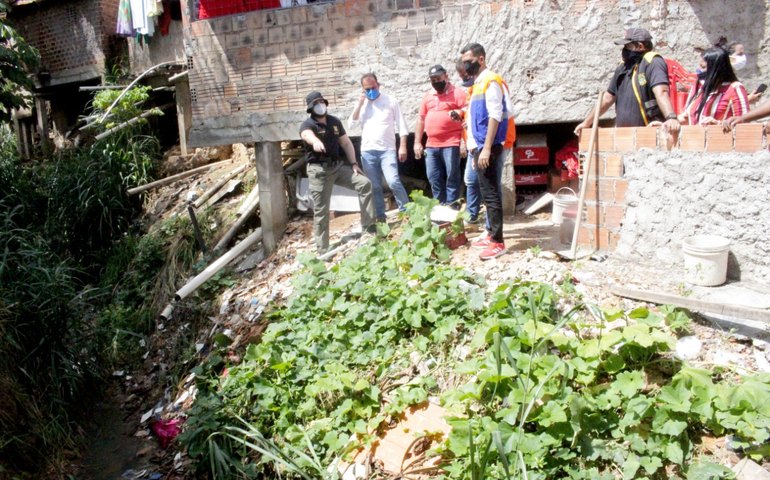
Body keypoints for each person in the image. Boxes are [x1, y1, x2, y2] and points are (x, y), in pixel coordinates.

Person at [300, 91, 375, 253]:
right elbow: (306, 135)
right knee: (321, 210)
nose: (320, 106)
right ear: (311, 108)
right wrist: (315, 142)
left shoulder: (334, 122)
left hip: (337, 167)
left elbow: (346, 143)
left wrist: (354, 163)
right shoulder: (308, 125)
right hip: (319, 172)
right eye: (316, 104)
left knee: (365, 184)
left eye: (322, 102)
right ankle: (323, 249)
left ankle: (369, 228)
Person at [574, 28, 680, 135]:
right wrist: (586, 123)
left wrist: (671, 117)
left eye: (628, 46)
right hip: (624, 135)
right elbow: (607, 98)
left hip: (648, 132)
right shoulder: (623, 67)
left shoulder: (652, 62)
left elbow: (661, 92)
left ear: (640, 46)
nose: (624, 49)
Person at [460, 42, 511, 260]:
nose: (465, 66)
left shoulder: (491, 81)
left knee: (491, 195)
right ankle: (490, 234)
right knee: (486, 192)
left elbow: (495, 115)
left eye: (468, 61)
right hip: (478, 147)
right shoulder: (477, 84)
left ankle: (498, 241)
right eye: (463, 62)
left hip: (487, 147)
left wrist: (487, 149)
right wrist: (474, 149)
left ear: (480, 59)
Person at [349, 73, 410, 222]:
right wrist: (359, 104)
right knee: (374, 186)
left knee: (393, 181)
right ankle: (380, 218)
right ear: (363, 89)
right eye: (367, 89)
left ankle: (407, 212)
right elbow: (351, 124)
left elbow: (402, 125)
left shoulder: (390, 101)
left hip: (387, 150)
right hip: (368, 152)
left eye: (373, 87)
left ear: (379, 85)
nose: (371, 91)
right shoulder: (362, 105)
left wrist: (402, 146)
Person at [413, 64, 468, 207]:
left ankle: (452, 207)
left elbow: (467, 116)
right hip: (431, 145)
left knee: (452, 177)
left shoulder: (458, 93)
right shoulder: (428, 96)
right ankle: (440, 206)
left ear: (446, 76)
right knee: (433, 177)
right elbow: (421, 119)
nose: (436, 82)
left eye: (438, 78)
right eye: (433, 79)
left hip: (452, 142)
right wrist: (417, 142)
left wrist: (464, 141)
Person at [678, 47, 749, 125]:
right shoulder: (699, 86)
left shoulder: (735, 89)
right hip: (694, 136)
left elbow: (743, 125)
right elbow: (688, 117)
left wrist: (717, 124)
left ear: (716, 69)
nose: (699, 70)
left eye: (703, 67)